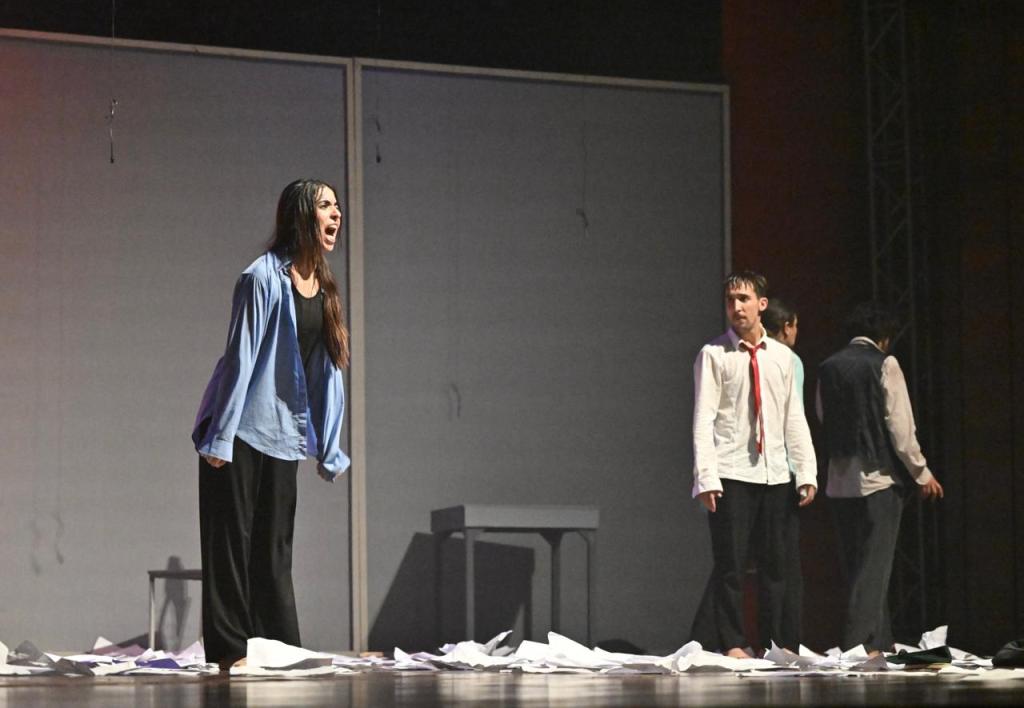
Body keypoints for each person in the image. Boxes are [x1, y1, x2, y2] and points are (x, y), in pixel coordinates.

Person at [191, 178, 351, 670]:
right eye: (326, 205)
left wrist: (330, 447)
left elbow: (327, 373)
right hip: (238, 431)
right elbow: (240, 359)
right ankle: (231, 651)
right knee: (230, 544)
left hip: (283, 435)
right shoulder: (261, 278)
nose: (337, 214)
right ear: (301, 215)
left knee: (274, 550)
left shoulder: (323, 288)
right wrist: (220, 437)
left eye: (337, 206)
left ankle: (278, 648)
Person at [690, 272, 818, 658]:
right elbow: (703, 419)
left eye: (744, 299)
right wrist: (706, 477)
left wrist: (806, 471)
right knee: (731, 565)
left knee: (776, 567)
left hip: (775, 473)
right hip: (732, 473)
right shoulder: (714, 354)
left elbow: (793, 417)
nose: (736, 307)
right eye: (731, 300)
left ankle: (775, 643)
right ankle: (733, 642)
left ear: (762, 304)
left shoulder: (783, 358)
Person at [817, 302, 943, 654]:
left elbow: (823, 416)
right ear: (884, 338)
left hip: (839, 480)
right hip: (878, 479)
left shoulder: (828, 367)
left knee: (860, 567)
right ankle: (857, 644)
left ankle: (880, 642)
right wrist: (921, 473)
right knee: (874, 568)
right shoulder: (884, 363)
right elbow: (901, 427)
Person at [761, 298, 804, 650]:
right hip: (780, 471)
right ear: (787, 326)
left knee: (742, 561)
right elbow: (795, 417)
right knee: (783, 562)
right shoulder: (789, 360)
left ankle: (777, 639)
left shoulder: (764, 357)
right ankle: (784, 639)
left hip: (761, 468)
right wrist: (803, 470)